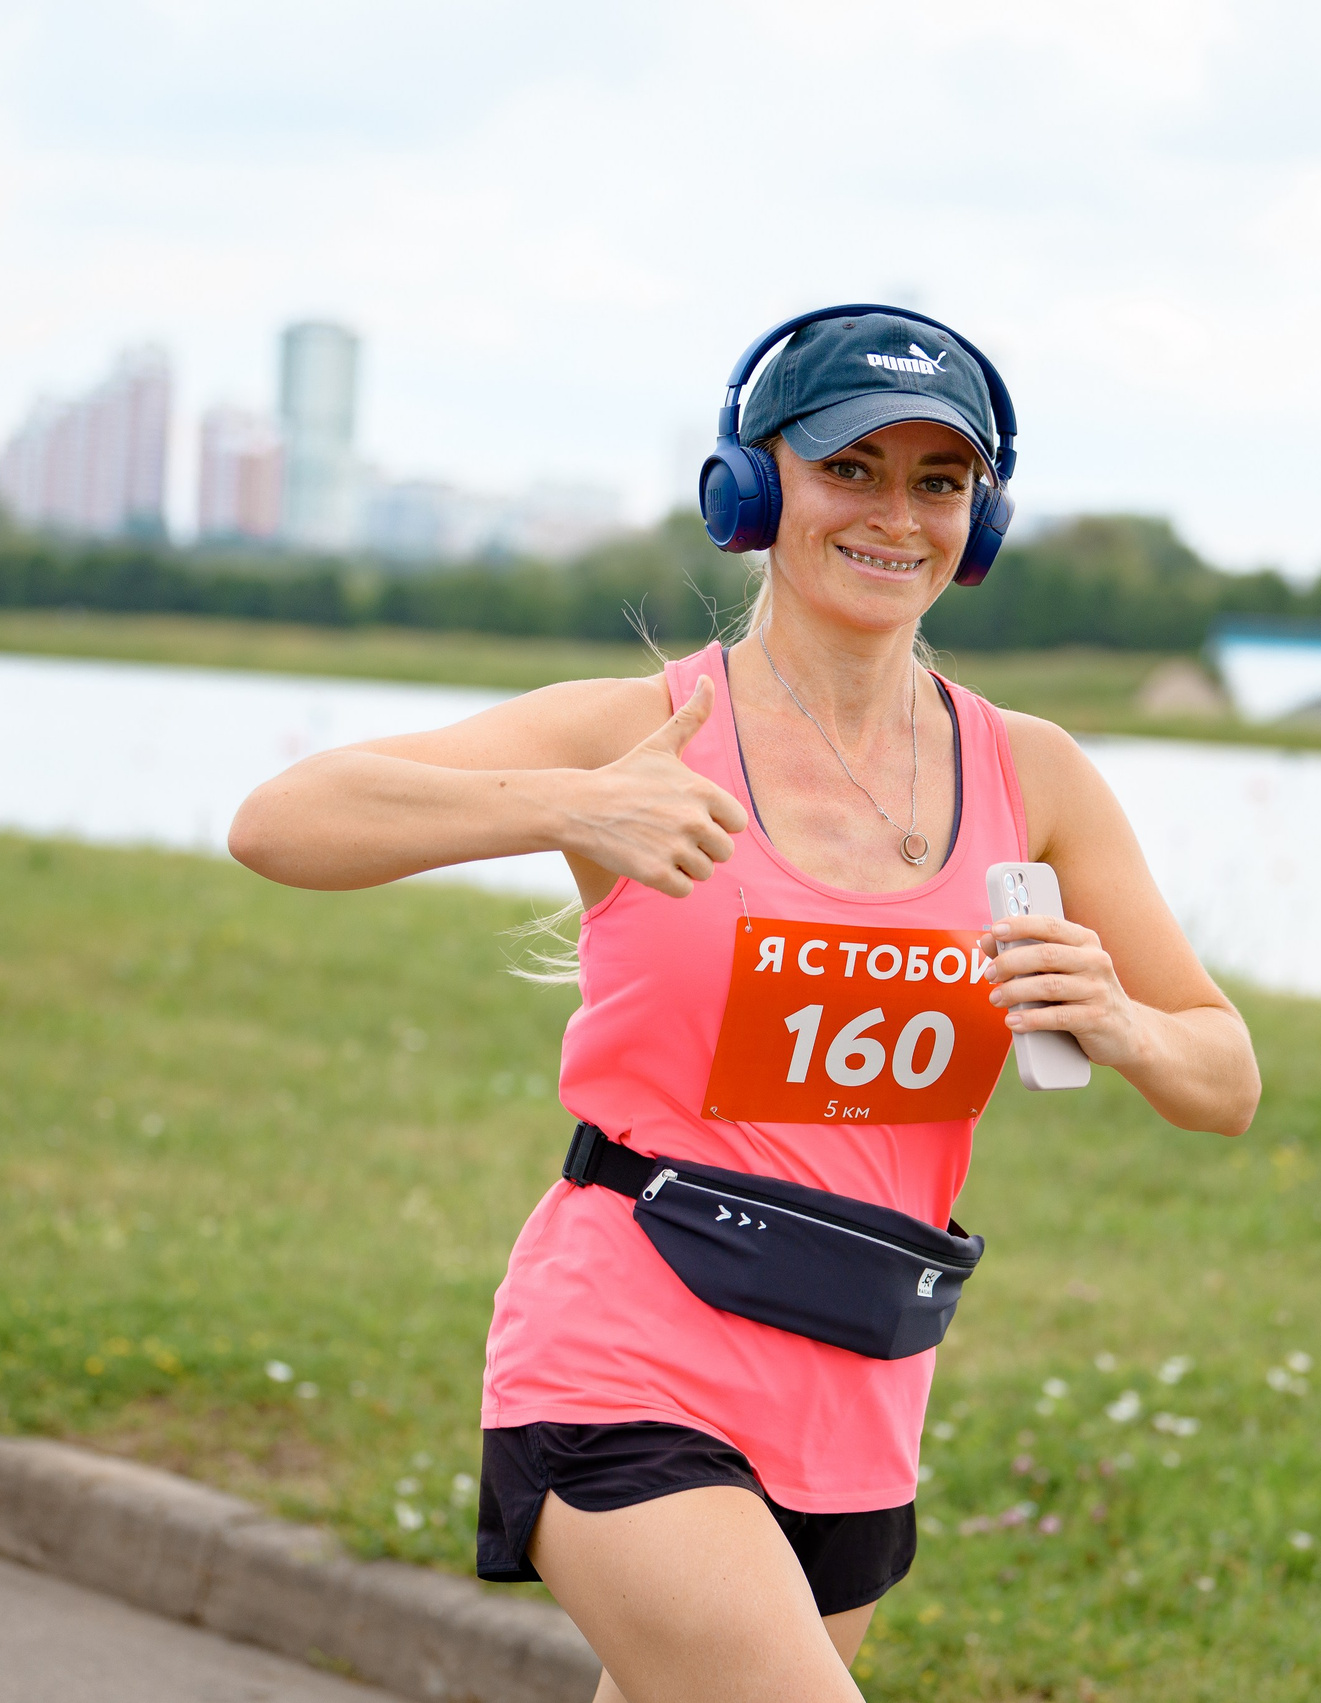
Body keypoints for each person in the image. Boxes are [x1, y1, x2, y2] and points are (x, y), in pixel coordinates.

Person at [228, 307, 1260, 1703]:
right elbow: (282, 823)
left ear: (983, 517)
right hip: (628, 1350)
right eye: (852, 469)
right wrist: (571, 801)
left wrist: (1124, 1025)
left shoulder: (1038, 774)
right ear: (755, 489)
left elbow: (1226, 1079)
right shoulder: (638, 729)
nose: (897, 516)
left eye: (939, 482)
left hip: (862, 1378)